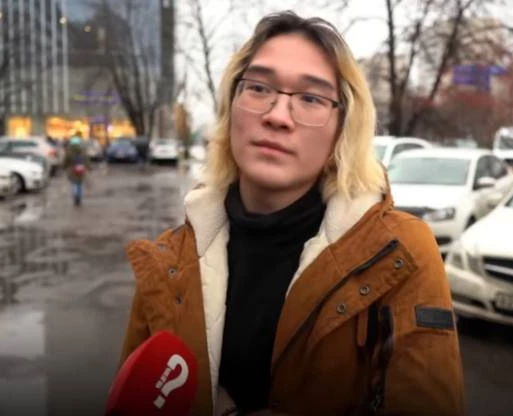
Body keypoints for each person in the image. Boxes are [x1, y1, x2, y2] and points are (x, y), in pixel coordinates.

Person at [118, 11, 465, 416]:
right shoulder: (168, 262)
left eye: (311, 98)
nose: (278, 116)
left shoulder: (401, 253)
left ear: (343, 128)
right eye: (258, 88)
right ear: (231, 107)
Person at [64, 133, 91, 206]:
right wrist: (89, 167)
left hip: (72, 170)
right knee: (80, 184)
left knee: (74, 184)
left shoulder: (69, 151)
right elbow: (86, 159)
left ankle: (75, 196)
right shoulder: (83, 150)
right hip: (81, 169)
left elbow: (66, 161)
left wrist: (64, 167)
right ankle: (79, 198)